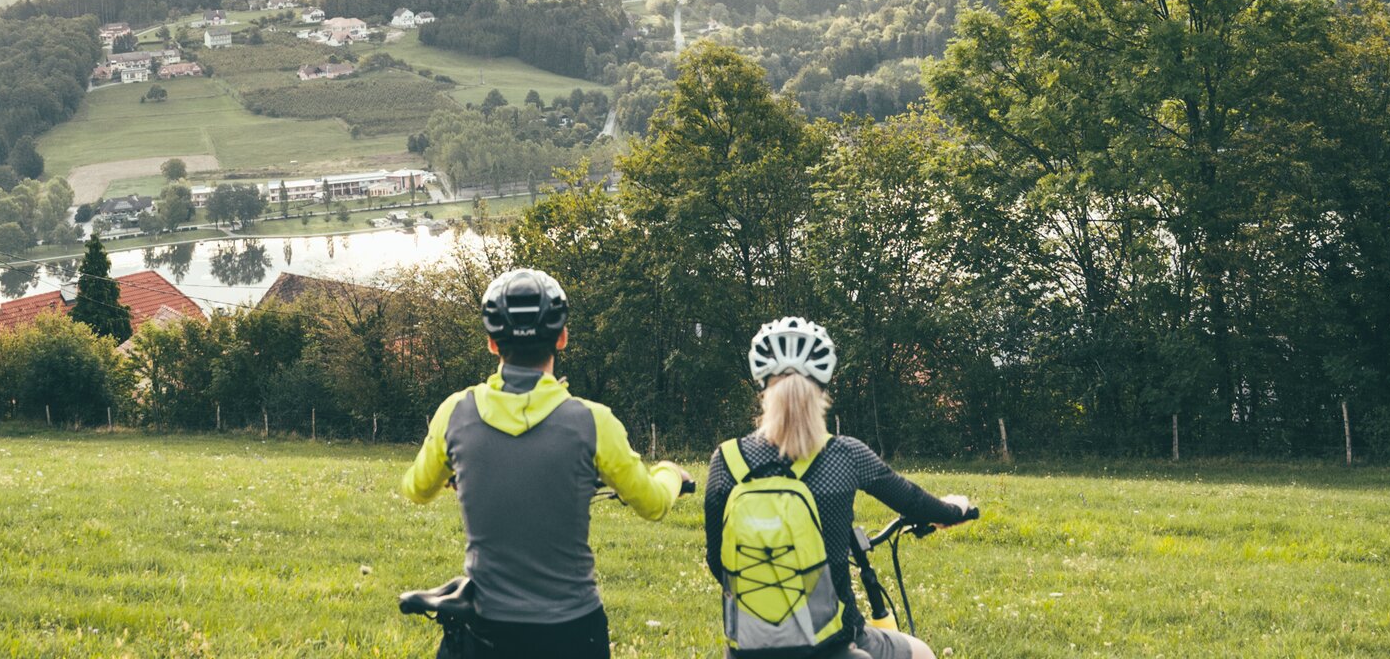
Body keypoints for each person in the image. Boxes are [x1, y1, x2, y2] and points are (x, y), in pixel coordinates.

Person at [402, 268, 692, 659]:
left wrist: (454, 473)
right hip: (572, 632)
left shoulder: (455, 413)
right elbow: (654, 504)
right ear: (563, 337)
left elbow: (416, 489)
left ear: (491, 343)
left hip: (488, 630)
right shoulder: (593, 421)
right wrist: (671, 473)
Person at [706, 317, 972, 659]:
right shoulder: (845, 455)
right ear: (822, 390)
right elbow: (913, 500)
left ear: (763, 387)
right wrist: (953, 510)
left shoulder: (726, 460)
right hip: (834, 645)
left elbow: (718, 561)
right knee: (920, 653)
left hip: (747, 649)